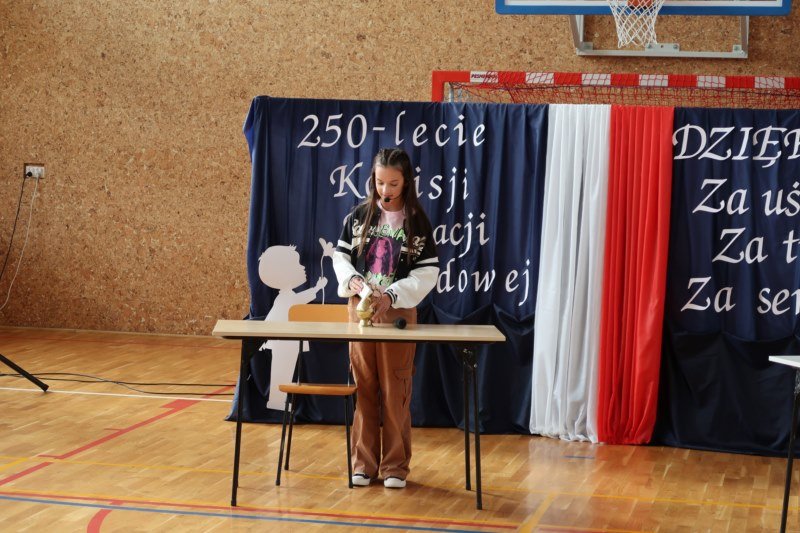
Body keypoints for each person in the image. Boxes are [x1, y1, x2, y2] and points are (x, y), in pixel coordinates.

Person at [332, 147, 439, 489]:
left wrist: (391, 295)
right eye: (380, 182)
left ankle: (395, 466)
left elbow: (427, 273)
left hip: (397, 314)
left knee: (396, 389)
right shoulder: (359, 216)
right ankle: (363, 464)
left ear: (406, 182)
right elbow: (340, 258)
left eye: (393, 183)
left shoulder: (417, 222)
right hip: (361, 311)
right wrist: (354, 281)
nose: (386, 190)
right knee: (364, 386)